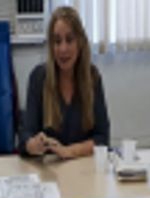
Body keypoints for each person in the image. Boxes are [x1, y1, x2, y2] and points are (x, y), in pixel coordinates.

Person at [20, 5, 110, 158]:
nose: (63, 49)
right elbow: (25, 135)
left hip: (82, 166)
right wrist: (32, 145)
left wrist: (70, 151)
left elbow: (102, 138)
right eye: (57, 41)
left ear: (80, 42)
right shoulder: (38, 77)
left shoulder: (92, 77)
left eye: (69, 40)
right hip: (48, 168)